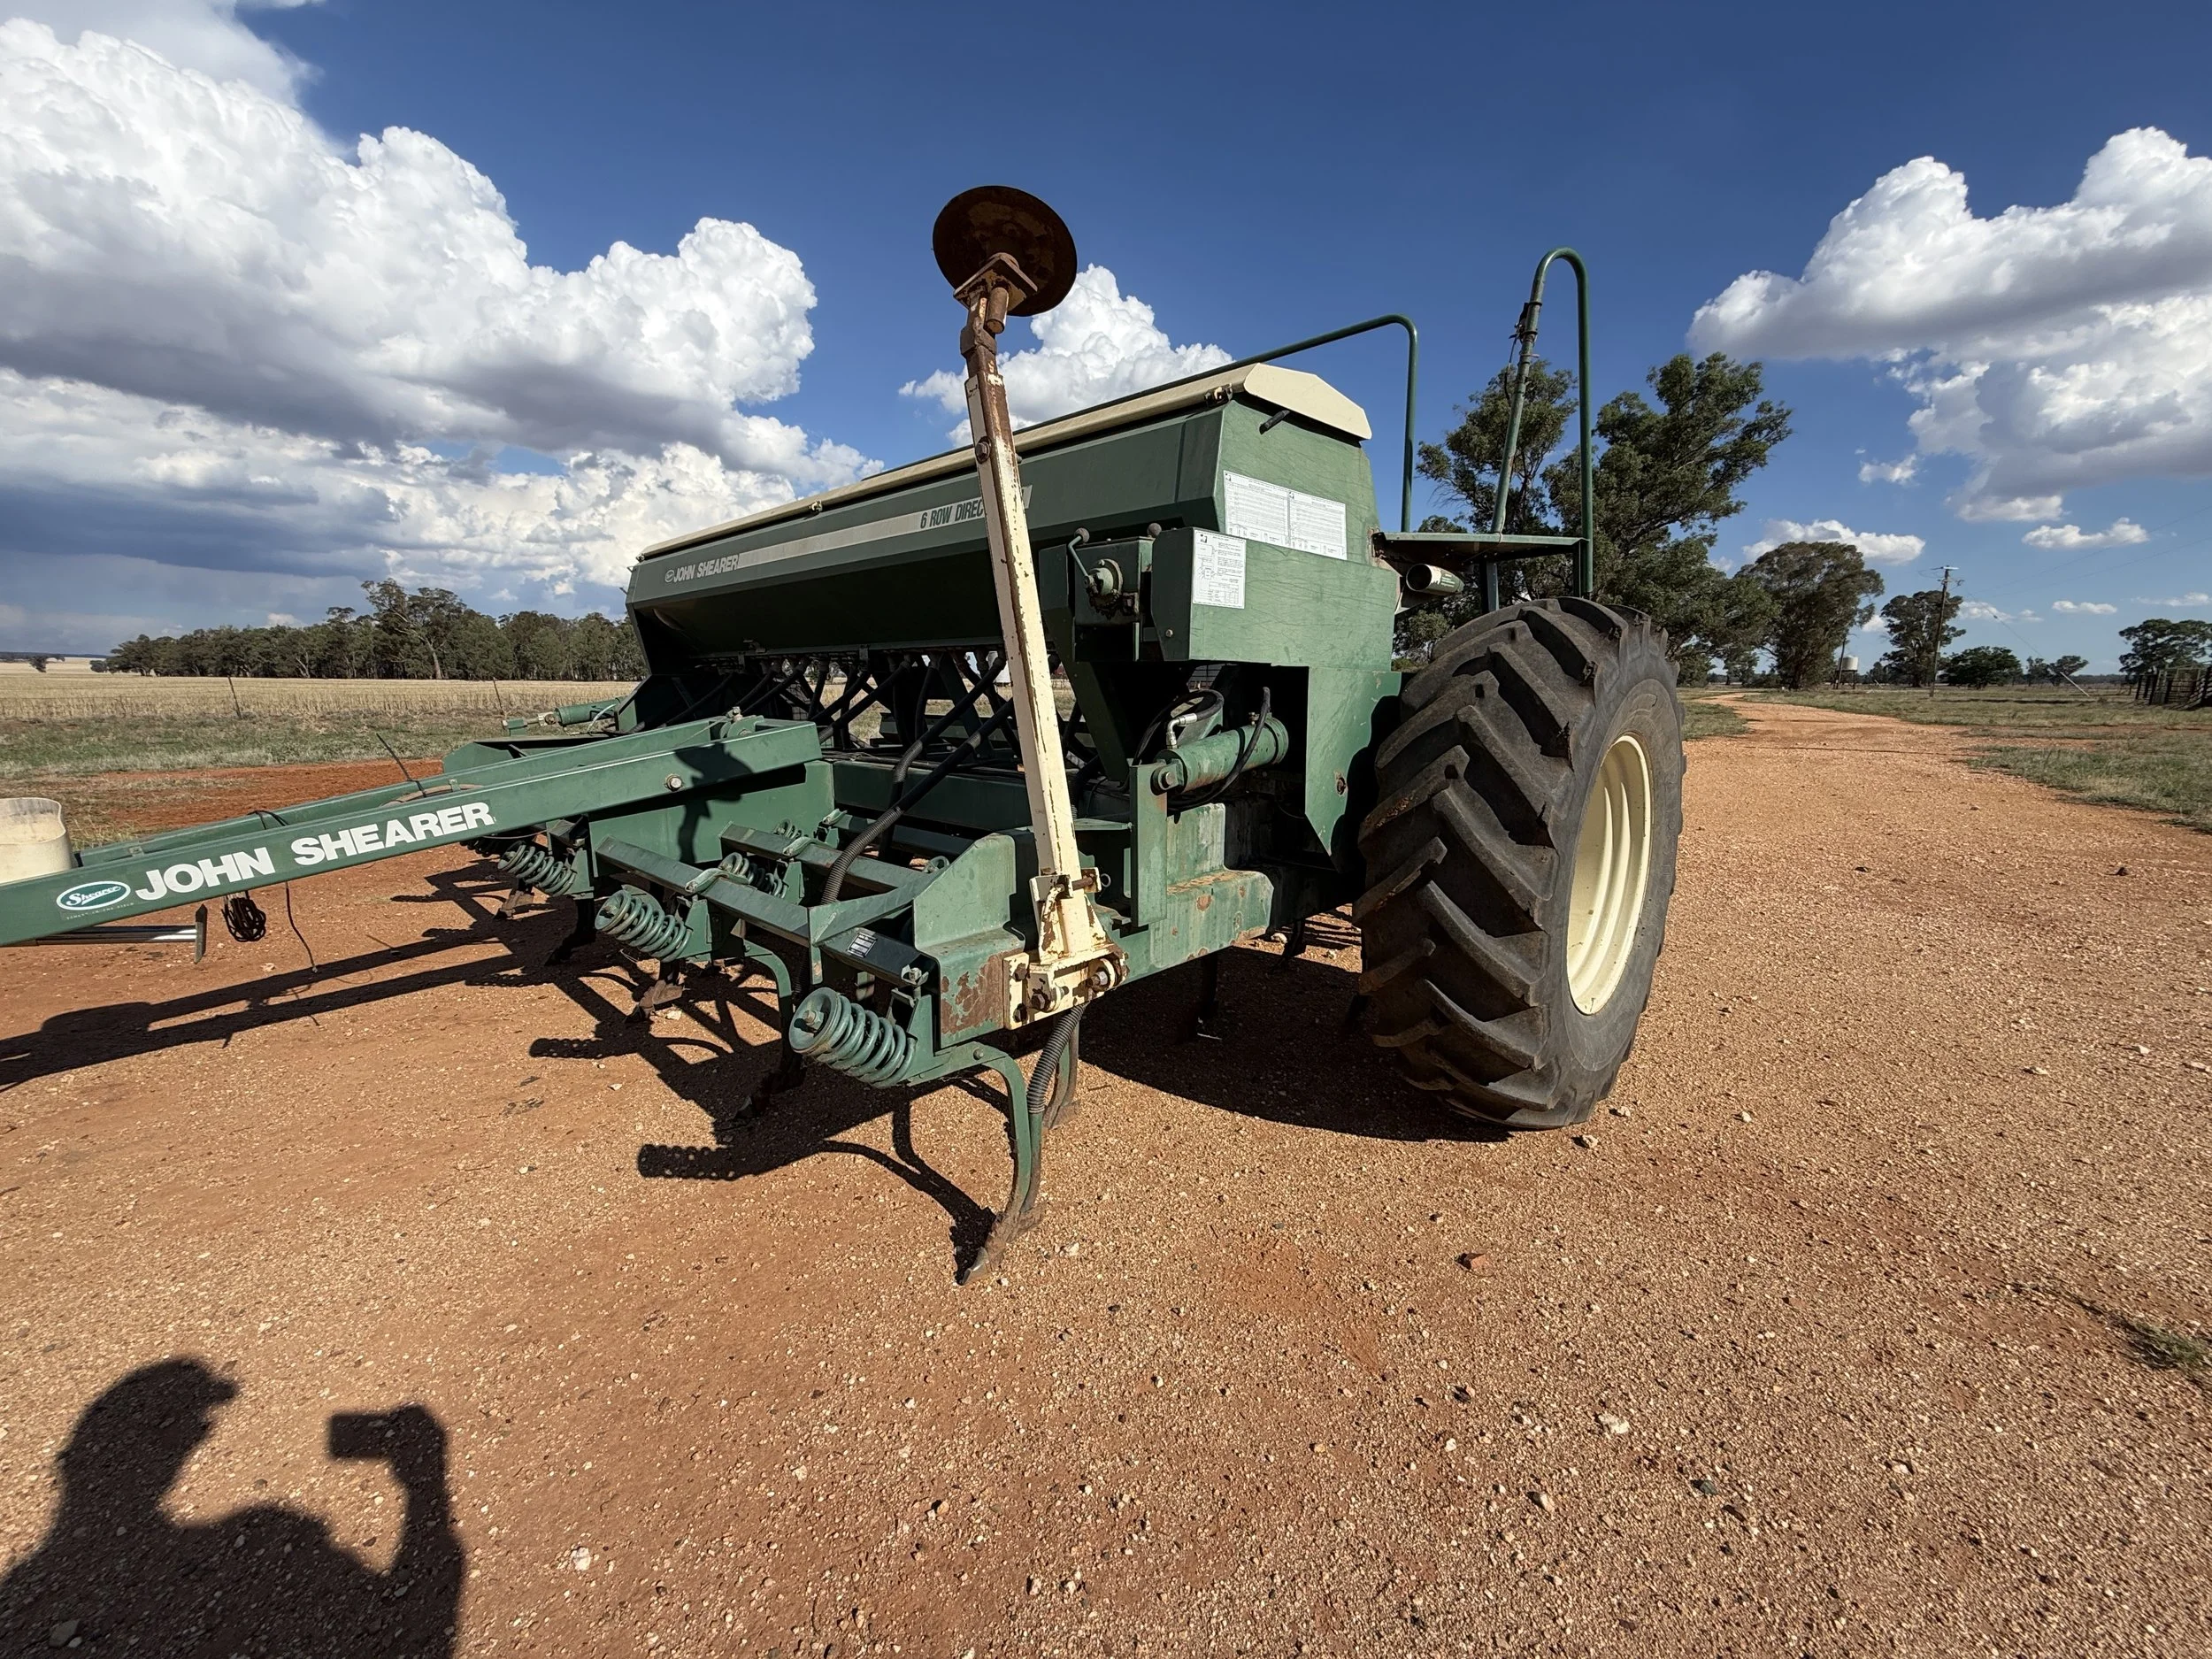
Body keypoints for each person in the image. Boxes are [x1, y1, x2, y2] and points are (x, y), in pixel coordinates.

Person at [0, 1359, 461, 1656]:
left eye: (196, 1424)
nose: (198, 1435)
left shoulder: (17, 1599)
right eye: (196, 1423)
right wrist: (426, 1489)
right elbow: (417, 1618)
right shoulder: (274, 1534)